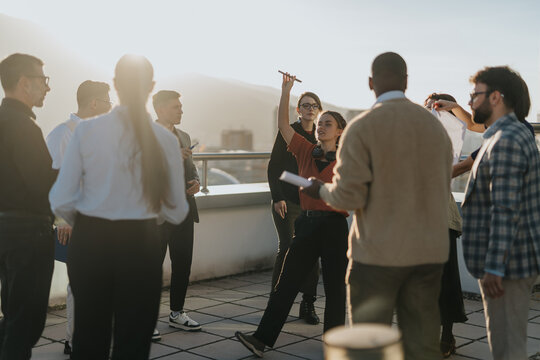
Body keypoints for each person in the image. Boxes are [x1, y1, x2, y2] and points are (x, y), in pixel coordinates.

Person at [303, 52, 453, 360]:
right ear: (407, 82)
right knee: (423, 346)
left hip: (377, 256)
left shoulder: (362, 128)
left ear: (371, 82)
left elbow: (348, 197)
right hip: (428, 253)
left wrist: (320, 189)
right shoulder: (434, 126)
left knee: (369, 347)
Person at [49, 54, 189, 360]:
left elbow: (60, 198)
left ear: (115, 85)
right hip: (140, 243)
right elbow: (177, 210)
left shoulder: (86, 131)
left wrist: (87, 221)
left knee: (88, 340)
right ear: (151, 87)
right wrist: (147, 216)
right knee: (134, 341)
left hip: (90, 242)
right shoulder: (165, 140)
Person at [236, 73, 349, 358]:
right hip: (307, 224)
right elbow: (283, 125)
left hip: (335, 226)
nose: (321, 126)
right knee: (286, 283)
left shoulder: (350, 160)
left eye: (327, 124)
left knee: (335, 290)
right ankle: (261, 340)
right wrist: (285, 91)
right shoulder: (304, 150)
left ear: (339, 131)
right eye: (320, 123)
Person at [460, 66, 540, 360]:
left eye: (475, 95)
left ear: (495, 97)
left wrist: (495, 266)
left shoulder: (505, 140)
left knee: (507, 348)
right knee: (509, 343)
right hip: (514, 261)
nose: (470, 102)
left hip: (507, 266)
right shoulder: (514, 132)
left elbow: (505, 207)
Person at [45, 80, 112, 356]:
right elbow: (52, 181)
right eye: (108, 101)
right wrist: (63, 220)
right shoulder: (62, 134)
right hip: (75, 223)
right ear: (94, 103)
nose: (112, 107)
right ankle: (74, 340)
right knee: (80, 284)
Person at [0, 53, 57, 360]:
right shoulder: (23, 126)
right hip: (28, 234)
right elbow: (42, 184)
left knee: (12, 314)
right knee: (26, 323)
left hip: (5, 230)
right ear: (24, 83)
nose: (47, 88)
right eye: (42, 80)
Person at [267, 88, 320, 325]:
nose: (310, 109)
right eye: (306, 105)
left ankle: (308, 303)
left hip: (311, 204)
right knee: (287, 247)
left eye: (314, 105)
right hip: (286, 201)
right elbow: (274, 166)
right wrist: (277, 197)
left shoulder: (322, 136)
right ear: (298, 110)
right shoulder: (291, 133)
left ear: (318, 111)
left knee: (311, 253)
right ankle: (275, 301)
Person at [152, 90, 201, 340]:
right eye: (175, 107)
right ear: (160, 109)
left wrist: (196, 182)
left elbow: (190, 168)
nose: (181, 110)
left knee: (182, 263)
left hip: (183, 209)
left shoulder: (184, 135)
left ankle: (177, 313)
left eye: (181, 106)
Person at [425, 93, 468, 358]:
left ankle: (447, 336)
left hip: (441, 214)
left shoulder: (452, 141)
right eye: (430, 108)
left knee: (446, 279)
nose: (433, 112)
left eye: (439, 109)